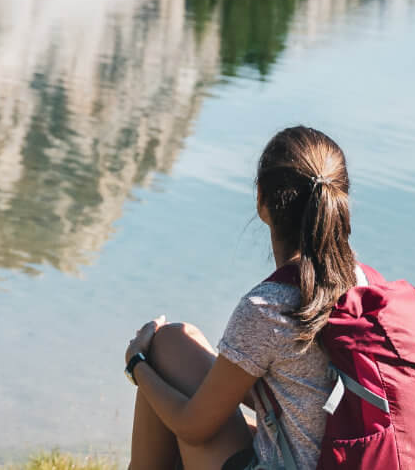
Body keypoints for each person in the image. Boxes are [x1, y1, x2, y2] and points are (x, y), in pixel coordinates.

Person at [121, 125, 357, 470]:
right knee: (179, 348)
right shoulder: (363, 287)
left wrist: (137, 364)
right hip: (349, 458)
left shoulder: (268, 308)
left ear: (262, 200)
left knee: (166, 347)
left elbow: (193, 427)